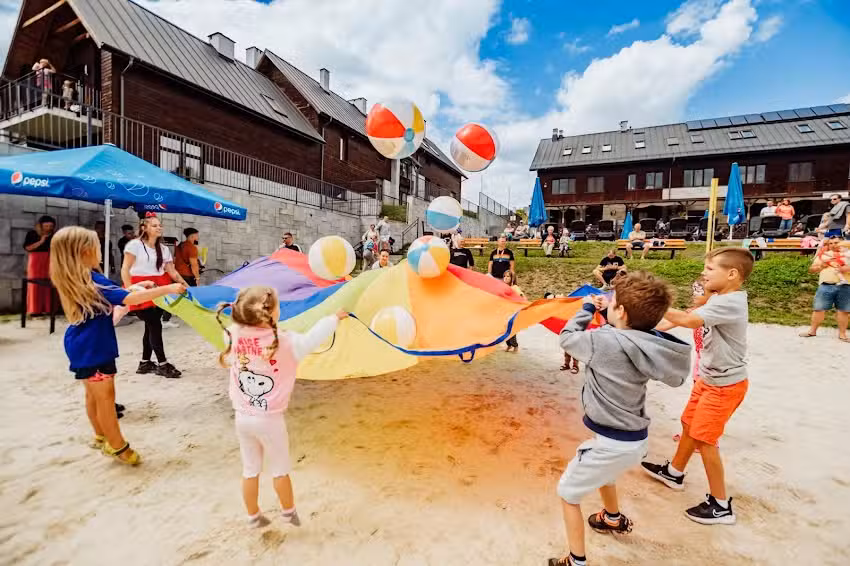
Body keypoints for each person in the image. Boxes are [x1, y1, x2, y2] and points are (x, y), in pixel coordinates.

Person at [548, 271, 690, 566]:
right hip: (633, 440)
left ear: (622, 312)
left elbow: (568, 338)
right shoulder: (646, 341)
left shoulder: (602, 341)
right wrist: (607, 311)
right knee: (606, 475)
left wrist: (587, 308)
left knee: (568, 493)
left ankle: (575, 560)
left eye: (612, 302)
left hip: (611, 444)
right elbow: (623, 336)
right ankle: (612, 518)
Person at [51, 226, 185, 466]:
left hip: (81, 344)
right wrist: (168, 288)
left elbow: (115, 295)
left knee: (93, 396)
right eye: (97, 246)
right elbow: (128, 300)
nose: (101, 251)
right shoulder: (93, 279)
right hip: (95, 346)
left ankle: (100, 436)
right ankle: (118, 446)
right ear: (85, 251)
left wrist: (133, 287)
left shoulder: (78, 278)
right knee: (105, 400)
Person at [642, 248, 755, 525]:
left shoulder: (731, 302)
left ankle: (720, 505)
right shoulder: (717, 299)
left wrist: (646, 302)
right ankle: (674, 472)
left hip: (724, 386)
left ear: (732, 274)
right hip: (708, 380)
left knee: (705, 440)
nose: (703, 274)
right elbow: (681, 318)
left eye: (710, 268)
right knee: (689, 424)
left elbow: (689, 320)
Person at [217, 286, 346, 527]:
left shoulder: (232, 334)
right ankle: (288, 512)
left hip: (242, 417)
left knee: (250, 469)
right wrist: (334, 319)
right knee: (280, 469)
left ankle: (253, 516)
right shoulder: (286, 342)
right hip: (270, 420)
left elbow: (242, 330)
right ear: (272, 313)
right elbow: (312, 339)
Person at [121, 214, 188, 379]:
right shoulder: (134, 245)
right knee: (154, 324)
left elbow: (172, 272)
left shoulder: (164, 249)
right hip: (139, 288)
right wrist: (130, 290)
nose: (159, 228)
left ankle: (144, 363)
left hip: (159, 287)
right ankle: (163, 364)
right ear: (144, 228)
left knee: (150, 326)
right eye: (154, 225)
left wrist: (187, 286)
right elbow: (125, 269)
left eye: (160, 225)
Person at [799, 238, 849, 342]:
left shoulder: (848, 254)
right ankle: (812, 331)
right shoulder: (824, 255)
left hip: (846, 286)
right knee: (819, 309)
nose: (833, 245)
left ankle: (842, 334)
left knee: (844, 311)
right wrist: (821, 266)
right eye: (831, 243)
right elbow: (811, 270)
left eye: (836, 242)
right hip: (826, 285)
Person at [23, 215, 56, 316]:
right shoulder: (32, 234)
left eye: (51, 226)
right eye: (46, 226)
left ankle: (48, 308)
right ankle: (35, 310)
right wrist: (41, 241)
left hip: (49, 259)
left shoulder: (54, 235)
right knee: (34, 283)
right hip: (35, 260)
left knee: (48, 283)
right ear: (40, 226)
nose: (48, 228)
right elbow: (28, 248)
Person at [502, 270, 524, 352]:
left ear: (512, 278)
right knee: (505, 329)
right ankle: (509, 345)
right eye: (504, 276)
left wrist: (520, 298)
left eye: (508, 276)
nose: (505, 278)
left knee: (511, 329)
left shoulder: (514, 287)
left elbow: (520, 295)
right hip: (506, 311)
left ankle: (515, 346)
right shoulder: (504, 287)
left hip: (513, 312)